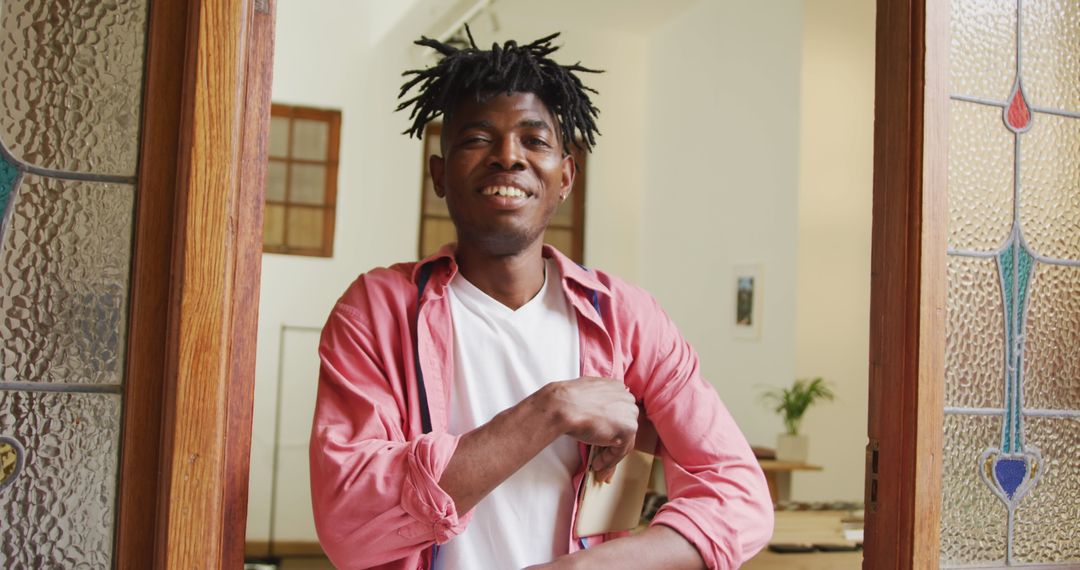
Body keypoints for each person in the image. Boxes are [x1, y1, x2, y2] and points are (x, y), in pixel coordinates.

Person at [310, 29, 773, 570]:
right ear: (439, 175)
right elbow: (348, 521)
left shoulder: (626, 319)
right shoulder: (378, 311)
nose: (508, 157)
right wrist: (550, 411)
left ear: (566, 176)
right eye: (477, 139)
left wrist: (587, 568)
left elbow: (741, 498)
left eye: (534, 140)